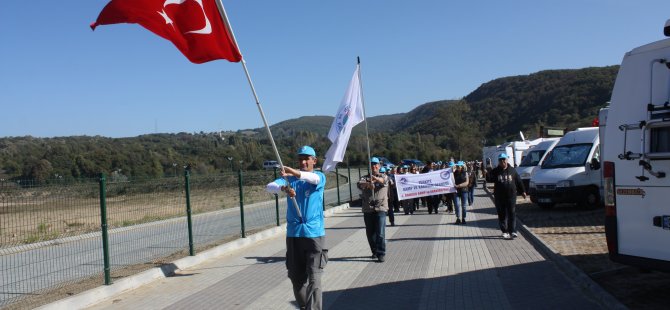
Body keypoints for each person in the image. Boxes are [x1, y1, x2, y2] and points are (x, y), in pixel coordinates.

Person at [266, 146, 327, 310]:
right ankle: (304, 306)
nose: (304, 162)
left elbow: (313, 179)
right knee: (296, 278)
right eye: (301, 159)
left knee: (314, 277)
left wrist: (293, 172)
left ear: (314, 160)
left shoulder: (319, 177)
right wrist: (284, 188)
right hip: (294, 234)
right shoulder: (289, 180)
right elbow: (269, 186)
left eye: (307, 158)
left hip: (314, 235)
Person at [486, 153, 527, 240]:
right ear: (499, 161)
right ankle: (505, 231)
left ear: (507, 160)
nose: (502, 161)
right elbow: (489, 179)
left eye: (504, 159)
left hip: (511, 196)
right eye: (500, 160)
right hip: (499, 197)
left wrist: (523, 191)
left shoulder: (512, 170)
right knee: (502, 215)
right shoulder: (496, 171)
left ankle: (513, 231)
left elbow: (518, 181)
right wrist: (487, 171)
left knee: (512, 213)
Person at [357, 157, 390, 262]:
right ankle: (374, 251)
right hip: (368, 209)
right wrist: (368, 184)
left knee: (380, 232)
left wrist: (375, 179)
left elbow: (383, 181)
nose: (374, 166)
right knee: (370, 233)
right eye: (372, 164)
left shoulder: (384, 176)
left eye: (376, 164)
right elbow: (360, 184)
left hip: (380, 208)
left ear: (379, 166)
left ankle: (381, 253)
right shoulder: (364, 178)